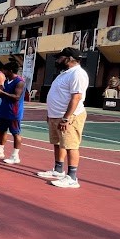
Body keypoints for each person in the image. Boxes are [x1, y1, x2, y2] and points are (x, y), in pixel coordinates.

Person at [38, 47, 90, 188]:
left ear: (69, 59)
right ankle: (58, 170)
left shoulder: (78, 74)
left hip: (69, 117)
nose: (58, 60)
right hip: (56, 115)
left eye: (60, 58)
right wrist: (51, 114)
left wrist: (66, 118)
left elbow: (76, 97)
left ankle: (72, 177)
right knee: (58, 143)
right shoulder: (64, 74)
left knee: (71, 145)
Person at [0, 61, 25, 164]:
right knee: (2, 130)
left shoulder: (19, 82)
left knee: (15, 133)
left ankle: (15, 156)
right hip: (4, 110)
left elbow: (16, 97)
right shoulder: (7, 81)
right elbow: (3, 94)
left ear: (10, 71)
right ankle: (0, 151)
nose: (2, 73)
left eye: (4, 71)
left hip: (14, 112)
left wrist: (1, 92)